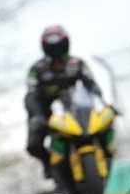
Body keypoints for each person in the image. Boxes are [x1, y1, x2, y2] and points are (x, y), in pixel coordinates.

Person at [24, 25, 116, 180]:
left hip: (77, 110)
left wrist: (103, 104)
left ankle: (107, 154)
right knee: (33, 144)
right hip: (47, 113)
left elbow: (91, 85)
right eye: (52, 45)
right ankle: (50, 166)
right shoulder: (36, 69)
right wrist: (36, 116)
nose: (56, 48)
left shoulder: (77, 63)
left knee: (107, 122)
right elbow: (31, 94)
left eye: (59, 44)